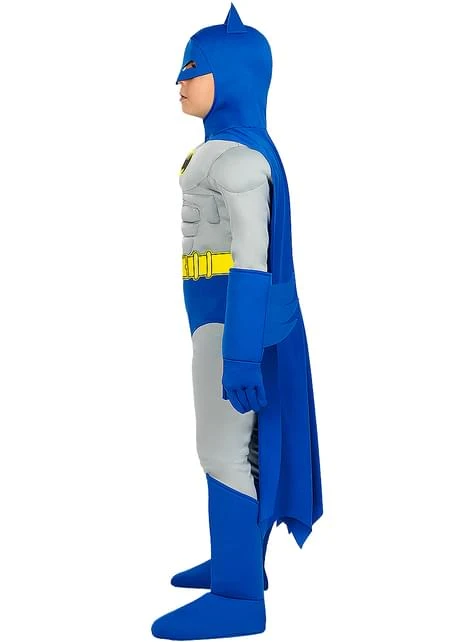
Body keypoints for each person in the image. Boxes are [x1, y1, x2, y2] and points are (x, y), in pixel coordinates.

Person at [151, 4, 323, 639]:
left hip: (229, 323)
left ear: (231, 77)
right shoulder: (223, 152)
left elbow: (253, 260)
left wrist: (243, 354)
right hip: (212, 317)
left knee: (222, 449)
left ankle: (238, 596)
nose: (180, 81)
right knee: (236, 447)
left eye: (193, 69)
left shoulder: (241, 161)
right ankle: (238, 560)